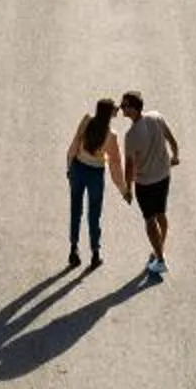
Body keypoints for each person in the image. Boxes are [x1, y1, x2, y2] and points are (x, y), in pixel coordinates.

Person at [118, 91, 182, 279]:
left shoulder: (131, 135)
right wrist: (175, 155)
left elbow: (129, 166)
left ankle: (160, 259)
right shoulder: (156, 117)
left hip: (145, 182)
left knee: (149, 219)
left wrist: (128, 189)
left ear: (134, 108)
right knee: (161, 213)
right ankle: (158, 249)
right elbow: (171, 138)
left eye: (125, 106)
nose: (122, 108)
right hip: (164, 176)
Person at [64, 97, 124, 269]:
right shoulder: (111, 136)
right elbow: (115, 165)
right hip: (95, 174)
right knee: (94, 214)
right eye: (115, 109)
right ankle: (95, 253)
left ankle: (73, 249)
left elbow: (75, 143)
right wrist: (123, 189)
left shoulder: (87, 120)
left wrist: (69, 167)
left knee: (76, 210)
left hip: (78, 168)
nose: (117, 111)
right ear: (109, 113)